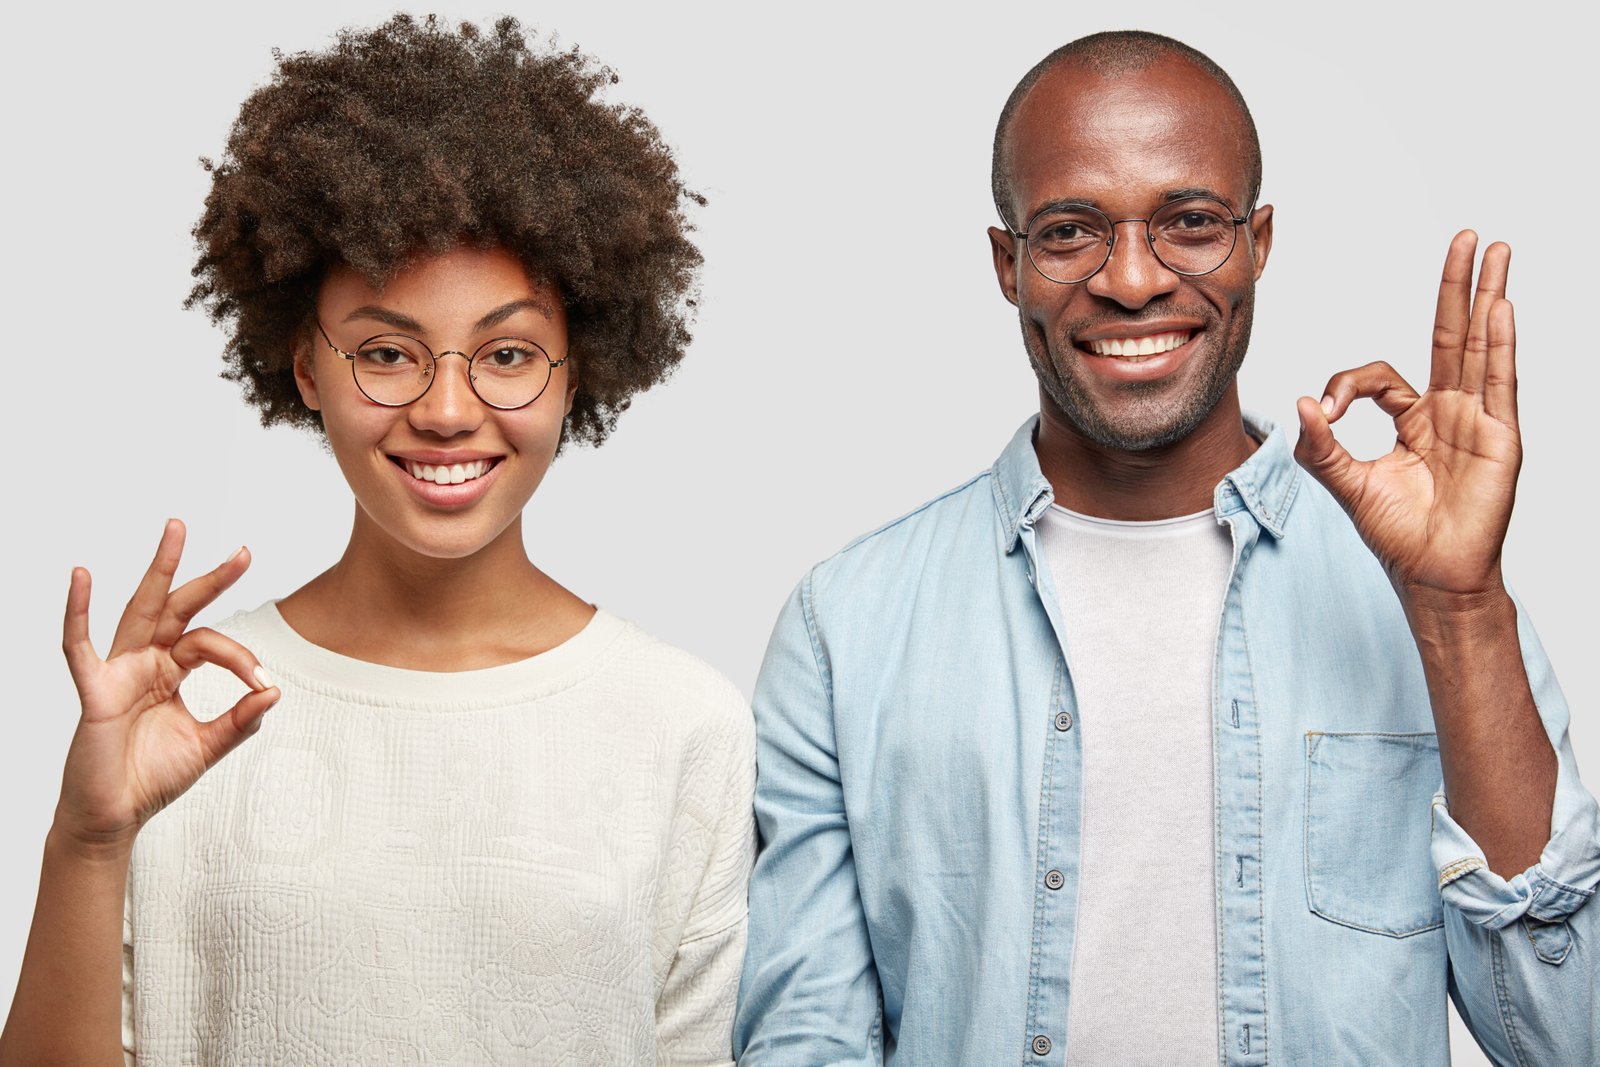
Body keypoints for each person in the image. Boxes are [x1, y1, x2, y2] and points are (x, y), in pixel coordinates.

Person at [734, 29, 1598, 1066]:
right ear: (1007, 264)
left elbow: (1568, 1036)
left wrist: (1461, 611)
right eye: (1068, 232)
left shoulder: (1421, 593)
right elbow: (803, 1043)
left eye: (1191, 222)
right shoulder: (850, 623)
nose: (1134, 280)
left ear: (1260, 243)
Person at [0, 15, 752, 1067]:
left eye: (507, 352)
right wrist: (89, 840)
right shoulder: (188, 706)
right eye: (388, 352)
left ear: (578, 366)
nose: (448, 409)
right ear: (304, 367)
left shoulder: (684, 726)